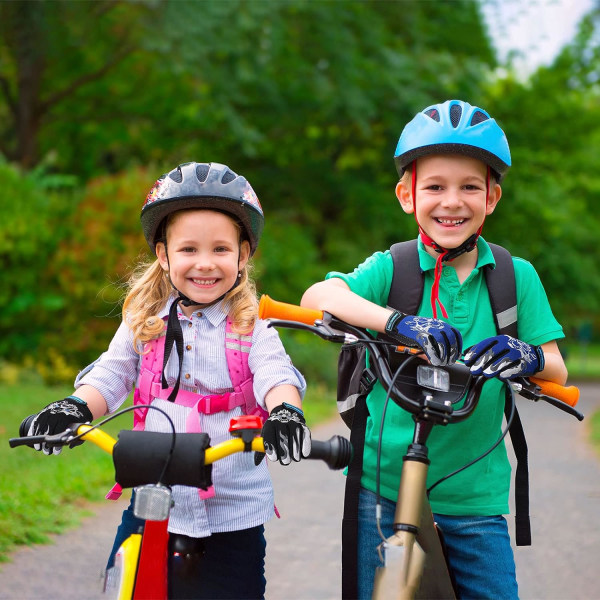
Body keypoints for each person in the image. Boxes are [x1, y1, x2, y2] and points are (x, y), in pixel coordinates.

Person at [301, 100, 567, 600]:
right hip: (383, 485)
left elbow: (556, 366)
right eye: (435, 187)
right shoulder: (393, 268)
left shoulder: (514, 277)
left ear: (492, 197)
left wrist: (528, 358)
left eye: (470, 187)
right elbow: (318, 297)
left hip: (475, 496)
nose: (452, 201)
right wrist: (398, 322)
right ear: (407, 195)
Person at [26, 161, 311, 599]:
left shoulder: (252, 325)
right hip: (152, 500)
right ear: (163, 255)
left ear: (243, 255)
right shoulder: (145, 320)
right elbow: (114, 371)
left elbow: (276, 374)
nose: (205, 264)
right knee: (124, 589)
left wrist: (286, 410)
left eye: (220, 250)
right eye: (188, 250)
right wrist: (76, 407)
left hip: (232, 512)